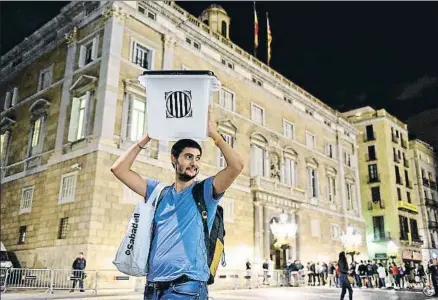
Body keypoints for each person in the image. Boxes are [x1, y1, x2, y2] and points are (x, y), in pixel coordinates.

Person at [111, 106, 244, 300]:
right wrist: (148, 136)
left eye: (198, 158)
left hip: (186, 286)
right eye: (188, 156)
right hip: (153, 286)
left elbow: (237, 166)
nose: (194, 163)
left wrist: (214, 135)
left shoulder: (205, 191)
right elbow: (118, 169)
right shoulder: (158, 192)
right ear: (174, 158)